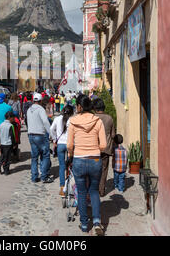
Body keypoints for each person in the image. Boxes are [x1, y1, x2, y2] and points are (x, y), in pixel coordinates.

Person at [67, 95, 107, 235]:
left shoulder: (73, 122)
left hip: (78, 159)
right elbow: (103, 145)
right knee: (94, 191)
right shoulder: (98, 121)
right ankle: (97, 221)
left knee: (82, 193)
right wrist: (95, 149)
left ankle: (84, 224)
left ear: (79, 106)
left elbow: (70, 145)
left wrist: (70, 156)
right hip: (95, 160)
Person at [27, 93, 53, 184]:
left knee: (34, 157)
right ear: (40, 101)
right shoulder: (41, 109)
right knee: (45, 155)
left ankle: (34, 177)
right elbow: (45, 122)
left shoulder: (29, 109)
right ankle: (44, 176)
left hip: (31, 135)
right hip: (40, 135)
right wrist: (51, 134)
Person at [92, 98, 116, 197]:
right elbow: (113, 135)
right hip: (106, 148)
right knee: (104, 169)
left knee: (94, 169)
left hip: (94, 148)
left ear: (95, 108)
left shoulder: (92, 118)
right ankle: (101, 190)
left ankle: (94, 188)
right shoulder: (109, 118)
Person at [50, 105, 74, 195]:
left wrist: (54, 139)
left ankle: (62, 187)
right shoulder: (72, 120)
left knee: (61, 166)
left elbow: (51, 129)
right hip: (70, 145)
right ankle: (71, 185)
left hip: (60, 144)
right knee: (71, 165)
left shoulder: (57, 119)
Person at [0, 111, 16, 176]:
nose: (14, 119)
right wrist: (14, 144)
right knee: (7, 158)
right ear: (10, 118)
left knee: (2, 156)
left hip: (2, 144)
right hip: (8, 144)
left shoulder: (1, 124)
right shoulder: (10, 126)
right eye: (13, 118)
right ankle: (6, 170)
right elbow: (12, 136)